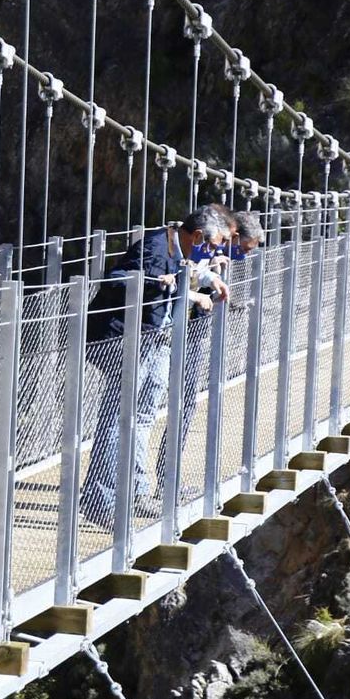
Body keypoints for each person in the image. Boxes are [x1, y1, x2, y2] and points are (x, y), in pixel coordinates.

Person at [83, 205, 231, 527]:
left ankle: (136, 491)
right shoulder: (153, 247)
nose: (211, 252)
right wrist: (159, 283)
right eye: (210, 245)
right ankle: (98, 499)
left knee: (144, 416)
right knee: (119, 419)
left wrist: (209, 279)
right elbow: (116, 280)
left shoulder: (180, 248)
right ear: (195, 236)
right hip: (125, 341)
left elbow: (186, 275)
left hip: (155, 341)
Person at [158, 209, 264, 483]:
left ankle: (167, 476)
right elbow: (178, 279)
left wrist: (211, 272)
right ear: (233, 237)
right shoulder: (198, 243)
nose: (244, 256)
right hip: (173, 330)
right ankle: (165, 478)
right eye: (243, 249)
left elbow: (195, 274)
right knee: (176, 403)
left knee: (185, 401)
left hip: (189, 328)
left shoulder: (208, 250)